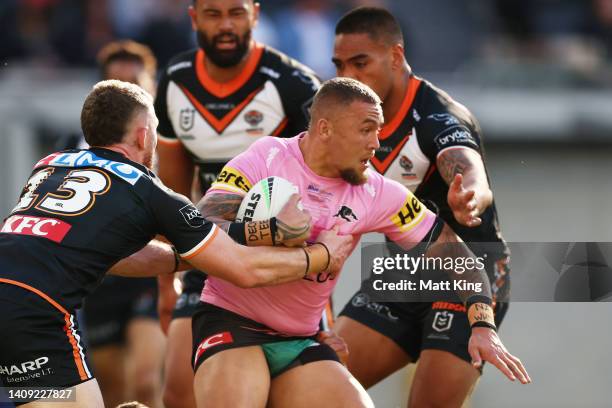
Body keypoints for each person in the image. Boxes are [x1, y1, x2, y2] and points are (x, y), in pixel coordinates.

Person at [0, 80, 351, 407]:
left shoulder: (48, 166)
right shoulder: (149, 190)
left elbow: (113, 256)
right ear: (143, 135)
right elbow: (242, 268)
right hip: (34, 316)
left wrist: (186, 259)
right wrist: (320, 256)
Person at [193, 77, 530, 408]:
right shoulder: (269, 157)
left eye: (379, 131)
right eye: (366, 129)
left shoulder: (377, 192)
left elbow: (459, 258)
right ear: (324, 129)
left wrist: (482, 324)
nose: (375, 143)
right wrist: (272, 231)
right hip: (232, 322)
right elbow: (201, 226)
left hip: (299, 341)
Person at [331, 7, 515, 407]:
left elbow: (468, 167)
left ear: (396, 57)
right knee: (314, 387)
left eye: (360, 63)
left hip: (468, 278)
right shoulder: (345, 121)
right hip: (401, 275)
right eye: (340, 65)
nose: (349, 76)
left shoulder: (437, 114)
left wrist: (470, 195)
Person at [152, 1, 324, 406]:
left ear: (256, 15)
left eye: (236, 13)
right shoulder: (176, 80)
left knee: (283, 395)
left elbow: (325, 182)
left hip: (287, 264)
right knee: (178, 390)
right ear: (194, 18)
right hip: (211, 252)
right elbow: (171, 194)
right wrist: (165, 284)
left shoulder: (293, 83)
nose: (226, 25)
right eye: (213, 14)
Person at [80, 40, 165, 408]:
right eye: (117, 86)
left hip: (151, 272)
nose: (128, 95)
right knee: (114, 394)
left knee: (146, 382)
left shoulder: (168, 147)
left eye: (136, 84)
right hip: (100, 280)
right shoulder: (70, 153)